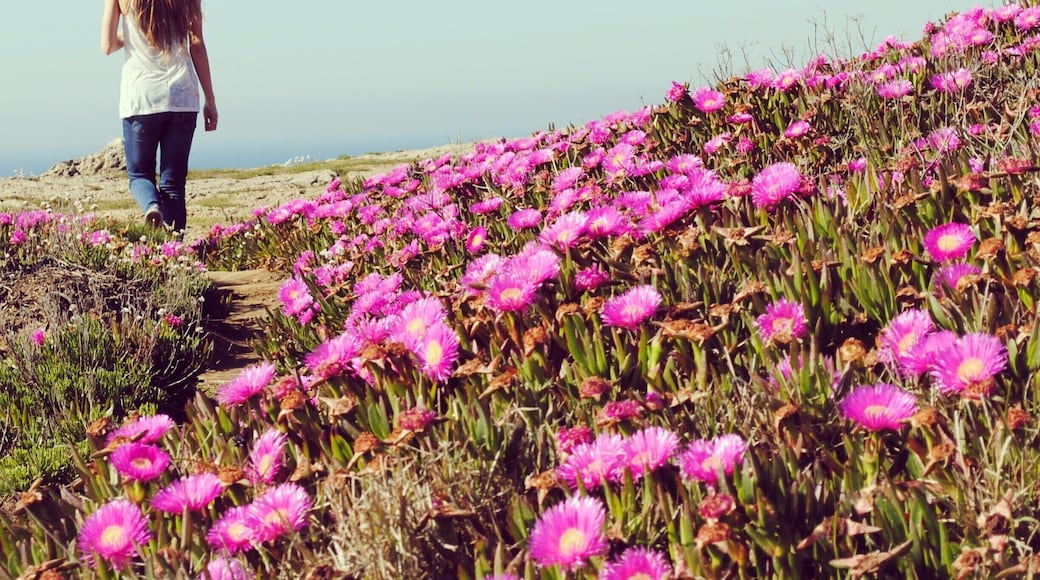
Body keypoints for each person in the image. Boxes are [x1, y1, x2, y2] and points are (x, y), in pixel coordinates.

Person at [100, 0, 217, 233]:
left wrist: (134, 34)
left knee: (140, 174)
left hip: (142, 98)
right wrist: (210, 100)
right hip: (182, 98)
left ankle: (152, 206)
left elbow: (108, 45)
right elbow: (198, 46)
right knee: (173, 184)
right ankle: (175, 251)